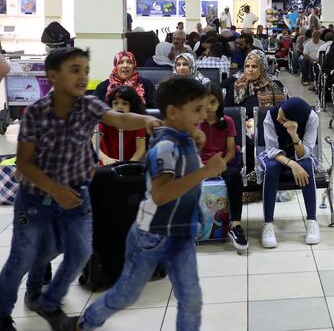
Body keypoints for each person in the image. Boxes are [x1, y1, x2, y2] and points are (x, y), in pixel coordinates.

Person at [0, 48, 162, 331]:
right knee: (21, 257)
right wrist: (55, 189)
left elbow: (119, 119)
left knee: (79, 251)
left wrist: (147, 119)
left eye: (86, 70)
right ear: (52, 76)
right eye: (74, 70)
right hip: (37, 197)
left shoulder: (88, 105)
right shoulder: (36, 114)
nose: (83, 77)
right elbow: (24, 164)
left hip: (77, 193)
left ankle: (47, 301)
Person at [67, 77, 224, 331]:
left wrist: (196, 144)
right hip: (151, 237)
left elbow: (185, 173)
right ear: (172, 112)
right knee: (126, 294)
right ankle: (85, 322)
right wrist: (205, 172)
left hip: (180, 233)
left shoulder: (184, 137)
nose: (204, 115)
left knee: (191, 298)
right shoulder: (164, 147)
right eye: (196, 109)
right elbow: (161, 194)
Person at [260, 98, 321, 248]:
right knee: (272, 167)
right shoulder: (271, 115)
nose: (278, 118)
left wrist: (294, 135)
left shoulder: (312, 118)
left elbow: (304, 152)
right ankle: (268, 223)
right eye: (280, 114)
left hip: (298, 152)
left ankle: (312, 221)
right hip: (277, 155)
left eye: (283, 118)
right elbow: (272, 150)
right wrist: (291, 163)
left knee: (307, 165)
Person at [199, 83, 248, 252]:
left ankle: (235, 225)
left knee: (234, 177)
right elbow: (192, 150)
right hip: (199, 165)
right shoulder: (195, 122)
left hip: (222, 163)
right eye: (204, 102)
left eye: (212, 102)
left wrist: (220, 165)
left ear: (219, 103)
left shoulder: (227, 121)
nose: (208, 106)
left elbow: (230, 151)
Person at [98, 86, 147, 166]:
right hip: (106, 165)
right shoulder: (104, 120)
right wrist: (105, 158)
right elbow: (94, 145)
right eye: (115, 103)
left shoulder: (137, 122)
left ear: (132, 106)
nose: (119, 107)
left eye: (125, 104)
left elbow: (140, 149)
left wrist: (129, 164)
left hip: (128, 167)